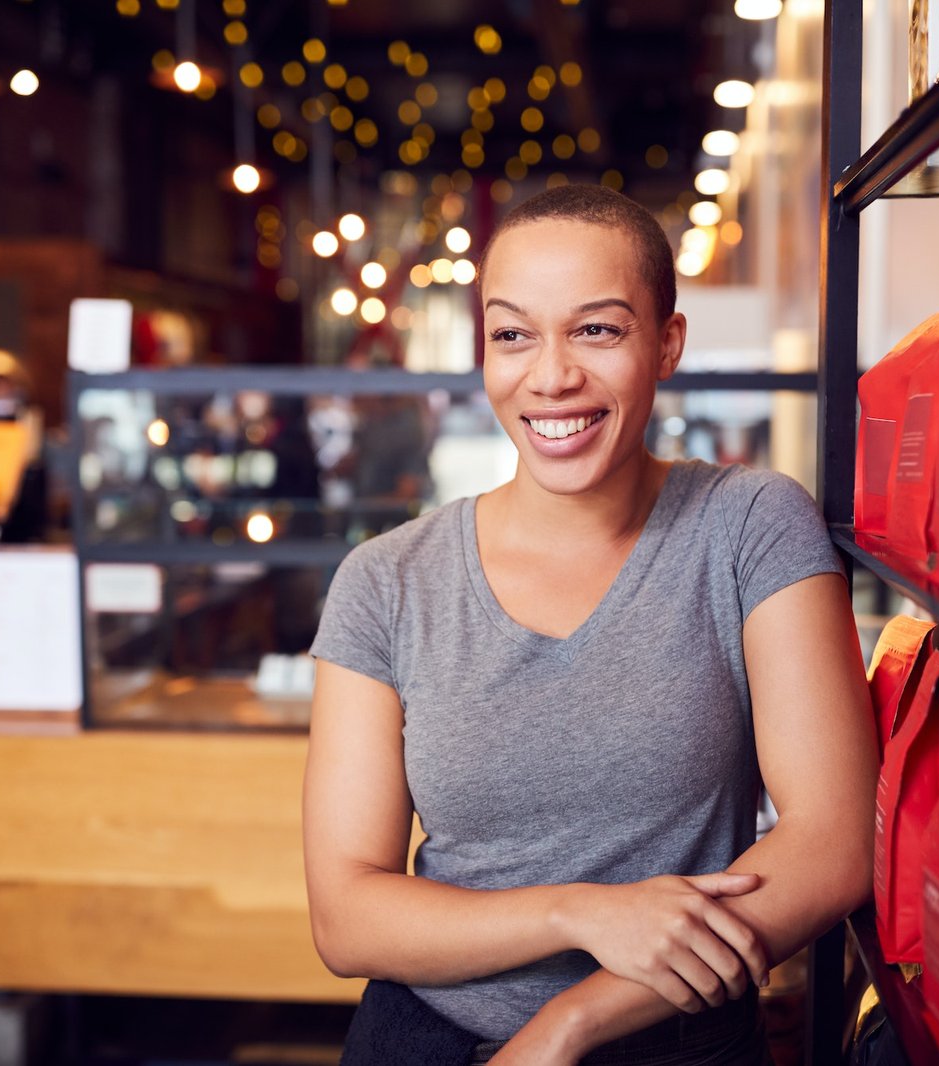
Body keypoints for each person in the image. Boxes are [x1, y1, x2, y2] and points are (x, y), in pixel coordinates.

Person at [303, 185, 876, 1065]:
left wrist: (569, 1024)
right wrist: (580, 911)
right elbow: (347, 916)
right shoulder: (386, 581)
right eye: (513, 333)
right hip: (423, 1040)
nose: (551, 374)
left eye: (597, 329)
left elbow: (835, 843)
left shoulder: (750, 523)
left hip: (674, 1037)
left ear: (667, 343)